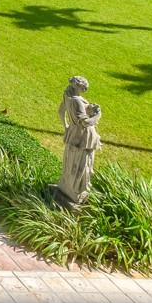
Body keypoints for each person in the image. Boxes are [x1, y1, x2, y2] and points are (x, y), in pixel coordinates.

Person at [56, 76, 102, 207]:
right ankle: (77, 189)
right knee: (83, 162)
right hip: (84, 136)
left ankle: (67, 184)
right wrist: (98, 115)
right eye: (84, 88)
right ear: (80, 87)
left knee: (71, 159)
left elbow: (60, 112)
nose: (85, 90)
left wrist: (66, 127)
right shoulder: (76, 101)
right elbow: (85, 122)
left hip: (73, 133)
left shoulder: (67, 96)